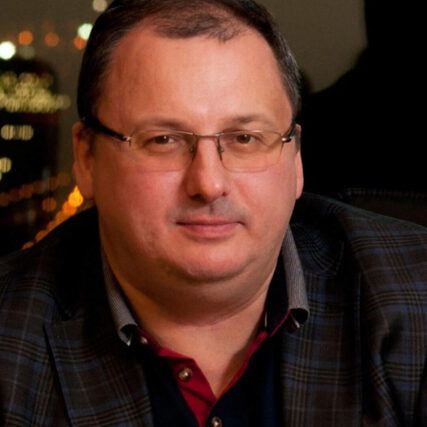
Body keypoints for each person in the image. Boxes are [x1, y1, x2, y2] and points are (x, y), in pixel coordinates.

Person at [0, 1, 426, 426]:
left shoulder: (416, 302)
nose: (208, 183)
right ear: (87, 158)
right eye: (163, 139)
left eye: (245, 138)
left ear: (295, 158)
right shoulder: (10, 338)